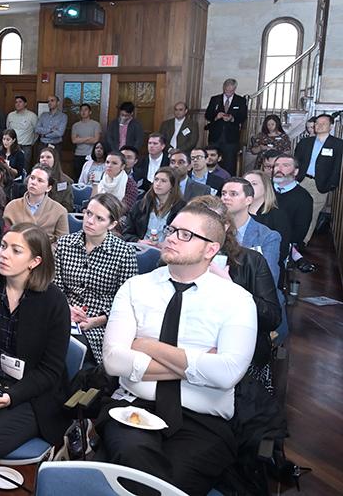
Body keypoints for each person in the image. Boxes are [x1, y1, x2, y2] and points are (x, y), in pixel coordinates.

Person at [100, 204, 257, 495]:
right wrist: (198, 364)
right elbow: (113, 361)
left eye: (185, 234)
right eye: (172, 230)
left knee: (172, 483)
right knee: (135, 464)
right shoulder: (136, 287)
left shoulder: (237, 300)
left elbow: (226, 374)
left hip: (203, 422)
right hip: (133, 407)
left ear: (211, 249)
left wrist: (147, 346)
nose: (171, 237)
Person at [0, 223, 71, 461]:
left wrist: (12, 396)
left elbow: (50, 371)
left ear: (35, 262)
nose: (4, 254)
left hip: (32, 394)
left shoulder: (54, 302)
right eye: (3, 246)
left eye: (16, 250)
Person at [187, 196, 281, 394]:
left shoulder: (251, 261)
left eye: (210, 224)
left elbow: (272, 318)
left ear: (226, 226)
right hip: (185, 347)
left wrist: (231, 287)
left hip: (239, 356)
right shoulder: (179, 258)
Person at [55, 194, 137, 366]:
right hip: (64, 314)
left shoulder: (124, 253)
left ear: (112, 224)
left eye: (99, 218)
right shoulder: (65, 243)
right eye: (88, 213)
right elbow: (55, 287)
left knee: (66, 347)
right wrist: (66, 309)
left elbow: (127, 302)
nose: (90, 221)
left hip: (100, 323)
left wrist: (97, 320)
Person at [220, 178, 281, 284]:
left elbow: (269, 280)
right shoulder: (213, 229)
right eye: (223, 193)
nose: (226, 198)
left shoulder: (267, 237)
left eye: (233, 194)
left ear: (248, 200)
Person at [293, 113, 342, 244]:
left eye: (323, 123)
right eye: (317, 123)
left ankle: (303, 241)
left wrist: (332, 184)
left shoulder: (337, 144)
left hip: (319, 184)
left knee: (312, 213)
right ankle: (292, 237)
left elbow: (337, 167)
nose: (319, 126)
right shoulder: (305, 142)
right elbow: (296, 161)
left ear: (331, 126)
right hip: (301, 181)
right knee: (296, 209)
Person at [3, 164, 69, 243]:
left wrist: (44, 251)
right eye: (32, 178)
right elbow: (4, 236)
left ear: (48, 188)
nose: (33, 182)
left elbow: (62, 243)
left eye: (40, 180)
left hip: (45, 253)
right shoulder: (12, 206)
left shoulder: (60, 211)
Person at [271, 154, 314, 271]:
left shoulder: (304, 198)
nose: (279, 169)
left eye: (285, 165)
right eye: (276, 165)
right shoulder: (264, 189)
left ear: (295, 172)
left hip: (282, 244)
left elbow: (299, 234)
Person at [122, 167, 186, 244]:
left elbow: (183, 236)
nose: (158, 184)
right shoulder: (140, 205)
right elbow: (126, 233)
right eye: (156, 179)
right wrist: (139, 241)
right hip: (142, 248)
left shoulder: (182, 208)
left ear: (172, 186)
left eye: (163, 181)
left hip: (167, 250)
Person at [244, 169, 291, 265]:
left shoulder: (278, 216)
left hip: (265, 267)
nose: (249, 188)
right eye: (246, 184)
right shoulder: (236, 212)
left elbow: (282, 251)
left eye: (254, 184)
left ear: (266, 188)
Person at [204, 78, 248, 175]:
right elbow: (207, 115)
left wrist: (232, 118)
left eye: (231, 90)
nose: (228, 92)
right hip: (215, 137)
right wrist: (216, 116)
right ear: (223, 88)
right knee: (211, 161)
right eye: (227, 90)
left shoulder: (240, 100)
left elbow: (243, 116)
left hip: (231, 138)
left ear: (235, 89)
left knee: (229, 164)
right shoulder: (215, 99)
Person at [38, 146, 75, 212]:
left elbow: (68, 206)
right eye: (42, 157)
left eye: (48, 157)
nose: (44, 159)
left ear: (55, 160)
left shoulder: (65, 181)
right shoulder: (30, 179)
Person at [71, 103, 103, 176]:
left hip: (91, 154)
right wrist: (88, 138)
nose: (83, 112)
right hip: (78, 154)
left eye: (85, 110)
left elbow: (95, 140)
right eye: (81, 110)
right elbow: (74, 140)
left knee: (90, 176)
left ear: (90, 112)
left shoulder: (96, 124)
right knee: (77, 176)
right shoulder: (76, 125)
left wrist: (80, 139)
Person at [5, 95, 39, 163]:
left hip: (26, 147)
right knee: (11, 165)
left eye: (20, 102)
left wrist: (31, 142)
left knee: (24, 166)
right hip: (12, 146)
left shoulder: (32, 116)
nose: (18, 104)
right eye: (16, 102)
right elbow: (8, 130)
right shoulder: (11, 115)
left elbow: (37, 132)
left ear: (25, 104)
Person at [34, 95, 67, 159]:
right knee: (42, 165)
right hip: (43, 144)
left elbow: (60, 133)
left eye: (52, 100)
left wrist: (44, 135)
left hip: (56, 145)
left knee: (55, 166)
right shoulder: (43, 115)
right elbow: (37, 129)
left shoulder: (63, 116)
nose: (49, 103)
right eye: (48, 101)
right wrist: (50, 129)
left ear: (58, 103)